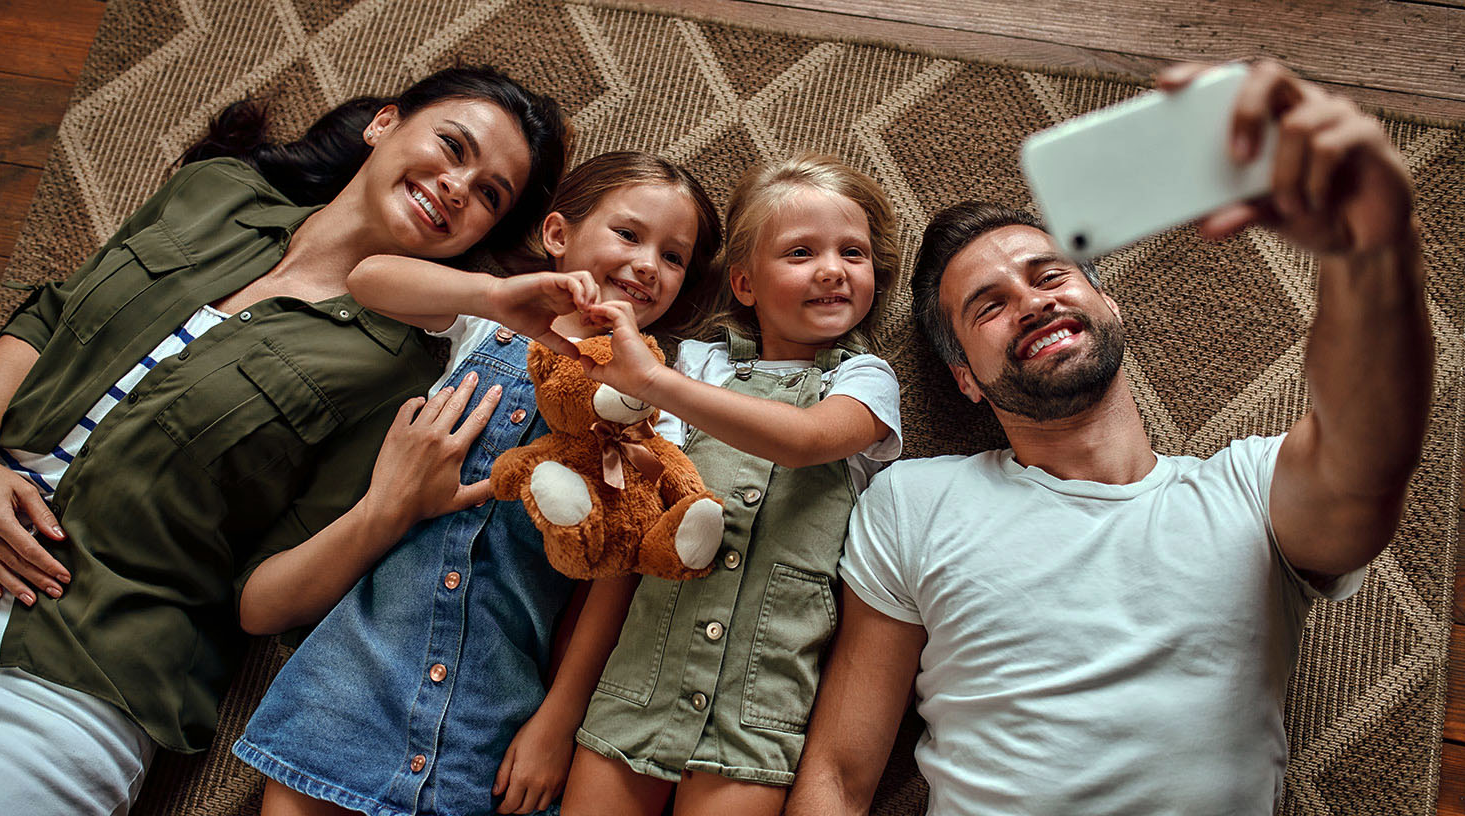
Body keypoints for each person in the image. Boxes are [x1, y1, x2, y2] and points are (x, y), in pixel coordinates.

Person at [784, 60, 1431, 815]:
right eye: (988, 306)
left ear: (1108, 304)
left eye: (1050, 275)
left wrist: (1374, 252)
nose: (1030, 302)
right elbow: (836, 773)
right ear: (965, 376)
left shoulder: (1253, 490)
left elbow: (1371, 445)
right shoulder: (914, 501)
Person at [0, 66, 569, 815]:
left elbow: (258, 601)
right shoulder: (215, 194)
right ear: (384, 124)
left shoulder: (403, 369)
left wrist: (387, 512)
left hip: (75, 676)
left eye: (488, 195)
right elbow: (47, 320)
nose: (457, 187)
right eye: (452, 147)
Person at [233, 150, 724, 816]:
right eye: (629, 234)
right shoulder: (486, 323)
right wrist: (490, 294)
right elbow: (369, 278)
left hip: (494, 705)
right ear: (557, 235)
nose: (647, 264)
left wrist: (560, 719)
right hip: (349, 679)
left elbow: (618, 571)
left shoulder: (658, 393)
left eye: (674, 257)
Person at [561, 154, 906, 816]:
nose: (832, 269)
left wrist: (656, 385)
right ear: (744, 284)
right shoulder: (697, 364)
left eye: (853, 253)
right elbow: (636, 523)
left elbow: (804, 442)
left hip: (759, 710)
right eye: (801, 252)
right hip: (636, 684)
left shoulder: (864, 379)